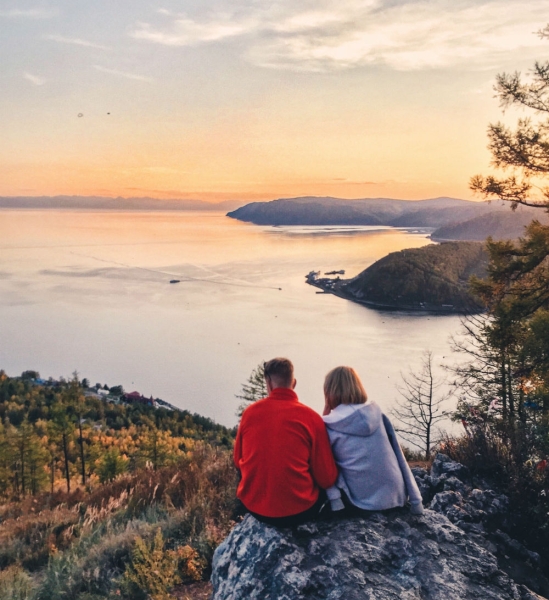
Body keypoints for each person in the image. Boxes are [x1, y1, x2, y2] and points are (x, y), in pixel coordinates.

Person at [234, 357, 338, 527]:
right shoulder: (311, 418)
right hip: (300, 511)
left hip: (254, 508)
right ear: (294, 383)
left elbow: (237, 461)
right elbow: (326, 479)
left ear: (268, 382)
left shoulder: (250, 413)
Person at [322, 366, 424, 515]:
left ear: (328, 391)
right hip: (396, 498)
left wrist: (323, 417)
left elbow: (324, 468)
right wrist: (416, 501)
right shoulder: (378, 415)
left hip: (362, 503)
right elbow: (399, 457)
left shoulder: (328, 425)